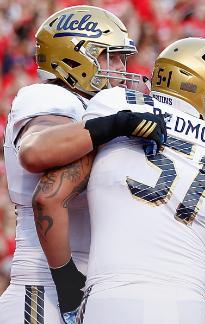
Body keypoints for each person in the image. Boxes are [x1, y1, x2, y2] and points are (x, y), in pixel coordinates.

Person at [38, 37, 205, 324]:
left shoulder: (115, 104)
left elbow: (45, 192)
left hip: (107, 300)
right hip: (182, 306)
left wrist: (66, 281)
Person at [0, 6, 163, 324]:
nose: (120, 67)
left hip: (97, 285)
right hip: (44, 287)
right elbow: (35, 150)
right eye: (111, 57)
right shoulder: (47, 96)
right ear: (75, 59)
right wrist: (115, 124)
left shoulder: (95, 106)